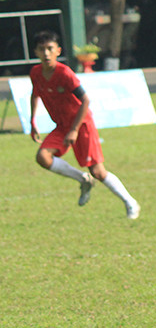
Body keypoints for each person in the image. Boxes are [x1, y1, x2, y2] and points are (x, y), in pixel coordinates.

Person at [28, 30, 140, 219]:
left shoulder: (64, 73)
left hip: (82, 125)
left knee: (98, 171)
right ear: (36, 52)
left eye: (50, 49)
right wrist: (32, 121)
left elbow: (85, 100)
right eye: (42, 49)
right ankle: (82, 179)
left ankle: (130, 202)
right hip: (62, 126)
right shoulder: (36, 73)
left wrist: (74, 130)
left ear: (58, 51)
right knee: (43, 157)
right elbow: (35, 94)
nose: (46, 53)